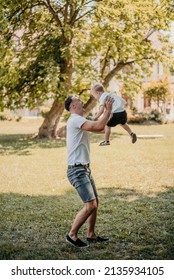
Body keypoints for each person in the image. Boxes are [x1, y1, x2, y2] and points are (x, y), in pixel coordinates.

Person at [64, 95, 114, 248]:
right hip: (77, 170)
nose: (82, 101)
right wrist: (108, 110)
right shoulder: (75, 119)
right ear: (73, 106)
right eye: (79, 100)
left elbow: (100, 126)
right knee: (90, 205)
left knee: (95, 203)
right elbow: (99, 126)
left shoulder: (80, 120)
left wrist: (110, 115)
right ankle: (72, 235)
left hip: (84, 168)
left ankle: (91, 234)